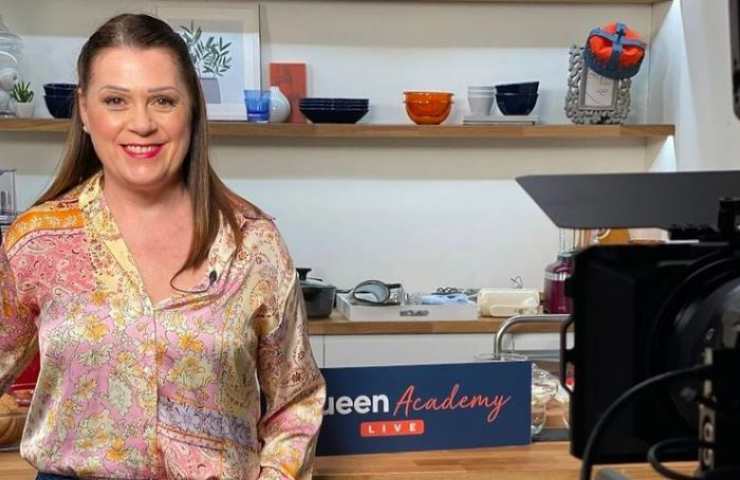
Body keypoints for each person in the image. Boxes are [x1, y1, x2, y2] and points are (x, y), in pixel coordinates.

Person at [0, 13, 325, 480]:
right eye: (115, 100)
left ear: (191, 108)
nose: (141, 123)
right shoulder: (37, 241)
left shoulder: (254, 244)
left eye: (163, 101)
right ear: (85, 111)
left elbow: (296, 403)